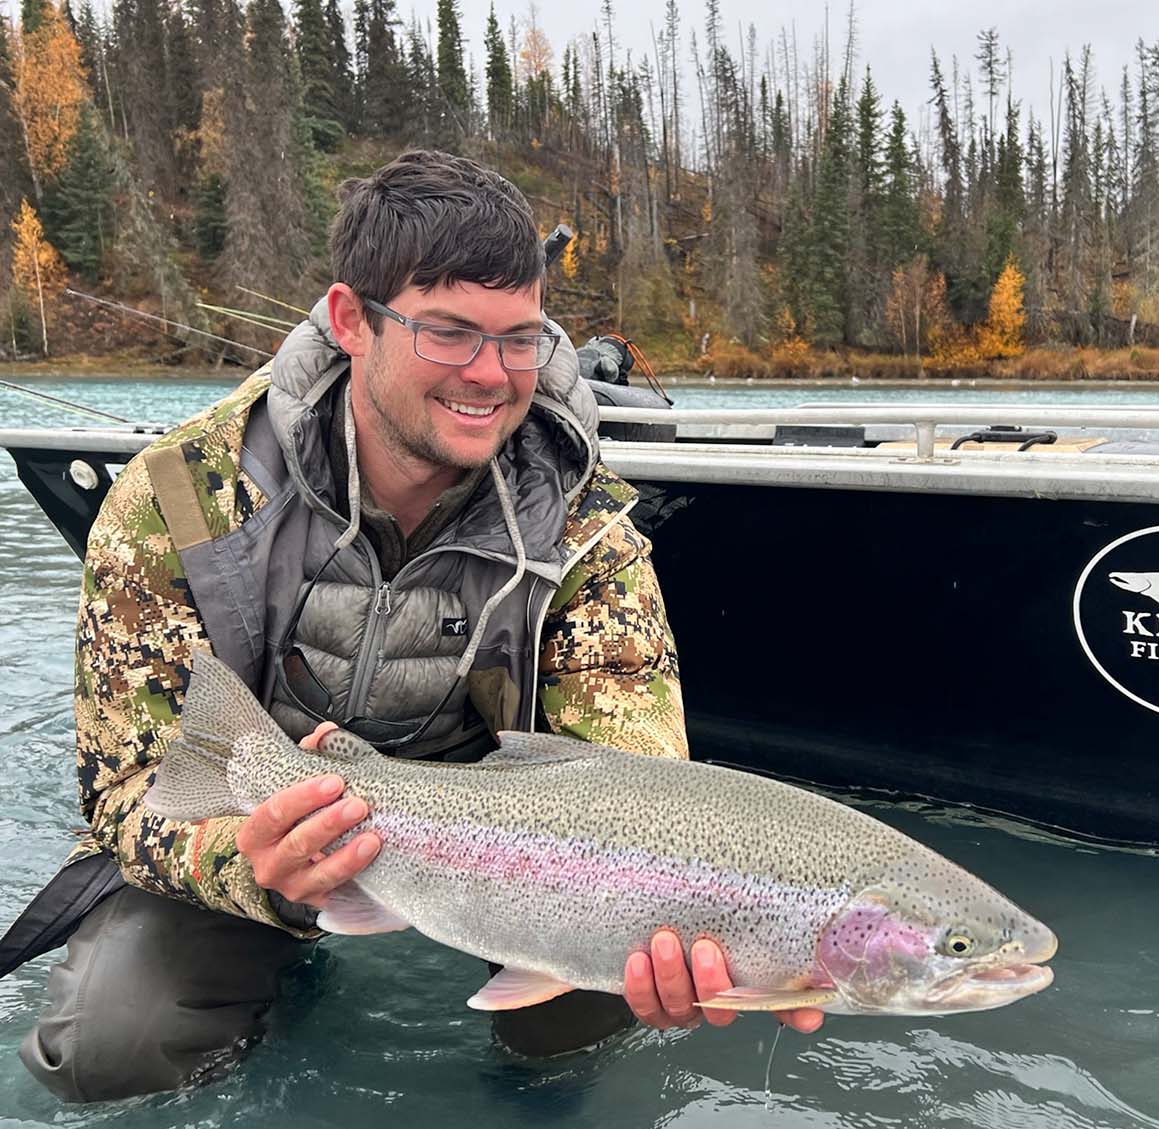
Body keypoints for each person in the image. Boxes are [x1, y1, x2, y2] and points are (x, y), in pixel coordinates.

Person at [15, 151, 821, 1103]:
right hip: (252, 814)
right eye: (448, 334)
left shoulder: (586, 525)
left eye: (520, 338)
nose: (491, 376)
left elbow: (640, 782)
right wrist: (263, 868)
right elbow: (130, 795)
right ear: (352, 320)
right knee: (112, 1045)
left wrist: (686, 927)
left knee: (602, 991)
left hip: (505, 842)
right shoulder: (178, 497)